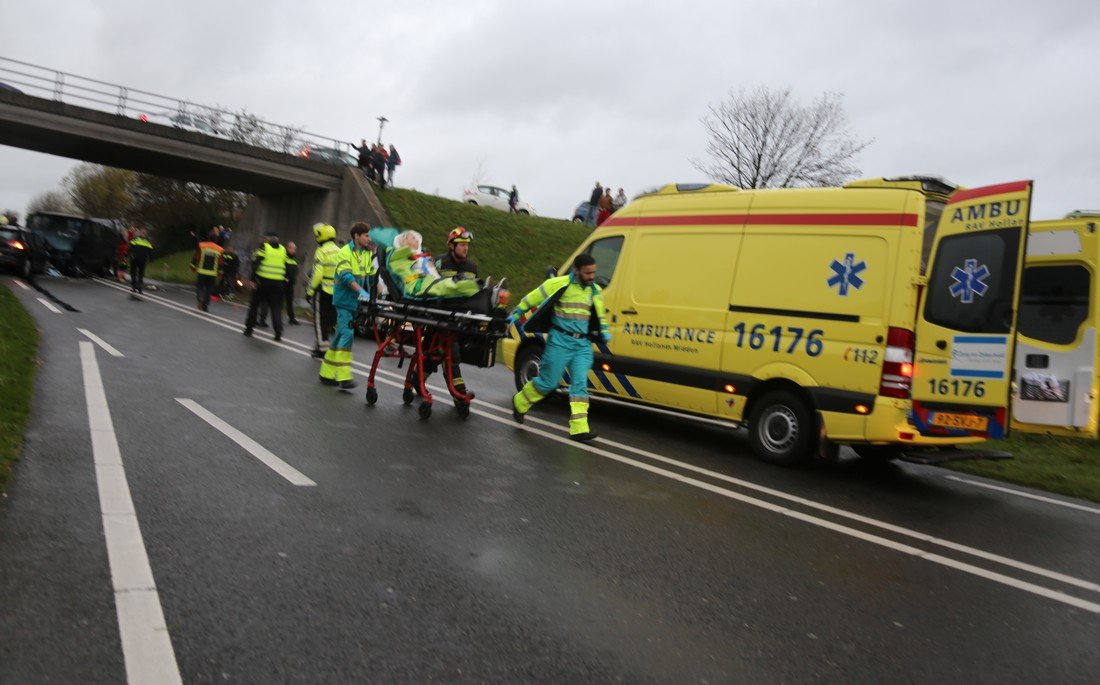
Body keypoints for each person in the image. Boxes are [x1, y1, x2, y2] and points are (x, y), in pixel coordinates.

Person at [508, 253, 610, 441]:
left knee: (580, 384)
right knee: (549, 383)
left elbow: (599, 315)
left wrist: (604, 332)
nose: (591, 276)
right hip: (559, 341)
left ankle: (579, 428)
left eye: (593, 272)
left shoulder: (594, 290)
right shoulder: (559, 284)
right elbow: (532, 298)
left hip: (582, 345)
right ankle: (520, 402)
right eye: (587, 273)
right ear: (577, 271)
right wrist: (516, 313)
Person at [319, 222, 377, 390]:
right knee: (347, 334)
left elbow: (372, 276)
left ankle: (326, 373)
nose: (369, 238)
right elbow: (345, 276)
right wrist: (361, 292)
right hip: (344, 301)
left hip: (355, 302)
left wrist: (377, 294)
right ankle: (344, 377)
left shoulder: (366, 254)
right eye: (366, 235)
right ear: (356, 236)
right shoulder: (344, 252)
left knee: (338, 336)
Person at [433, 227, 479, 394]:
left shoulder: (472, 267)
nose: (465, 248)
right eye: (461, 245)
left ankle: (415, 381)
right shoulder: (440, 263)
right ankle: (459, 395)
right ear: (452, 246)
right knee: (450, 353)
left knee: (436, 355)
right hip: (439, 314)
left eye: (467, 245)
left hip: (461, 317)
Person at [243, 230, 289, 341]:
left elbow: (256, 263)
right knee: (276, 308)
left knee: (254, 305)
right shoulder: (283, 250)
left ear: (268, 239)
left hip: (263, 282)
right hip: (278, 284)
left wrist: (252, 280)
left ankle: (249, 329)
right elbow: (286, 265)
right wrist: (285, 278)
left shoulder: (264, 248)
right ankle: (278, 332)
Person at [306, 222, 340, 359]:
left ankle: (322, 348)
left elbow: (318, 273)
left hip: (323, 290)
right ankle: (323, 346)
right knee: (330, 320)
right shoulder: (339, 250)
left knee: (320, 321)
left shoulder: (321, 251)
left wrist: (309, 291)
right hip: (336, 291)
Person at [191, 229, 224, 311]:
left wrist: (192, 267)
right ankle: (205, 305)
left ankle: (200, 298)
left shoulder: (202, 245)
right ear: (216, 239)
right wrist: (219, 273)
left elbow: (196, 257)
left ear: (209, 237)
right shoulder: (220, 249)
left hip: (201, 271)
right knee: (209, 289)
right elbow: (220, 263)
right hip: (212, 274)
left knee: (199, 287)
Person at [127, 228, 153, 294]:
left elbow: (130, 248)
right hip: (142, 260)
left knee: (133, 273)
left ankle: (134, 286)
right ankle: (139, 288)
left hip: (134, 259)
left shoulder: (135, 240)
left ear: (140, 233)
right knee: (141, 274)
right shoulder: (147, 242)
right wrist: (151, 259)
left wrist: (127, 255)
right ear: (145, 234)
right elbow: (150, 251)